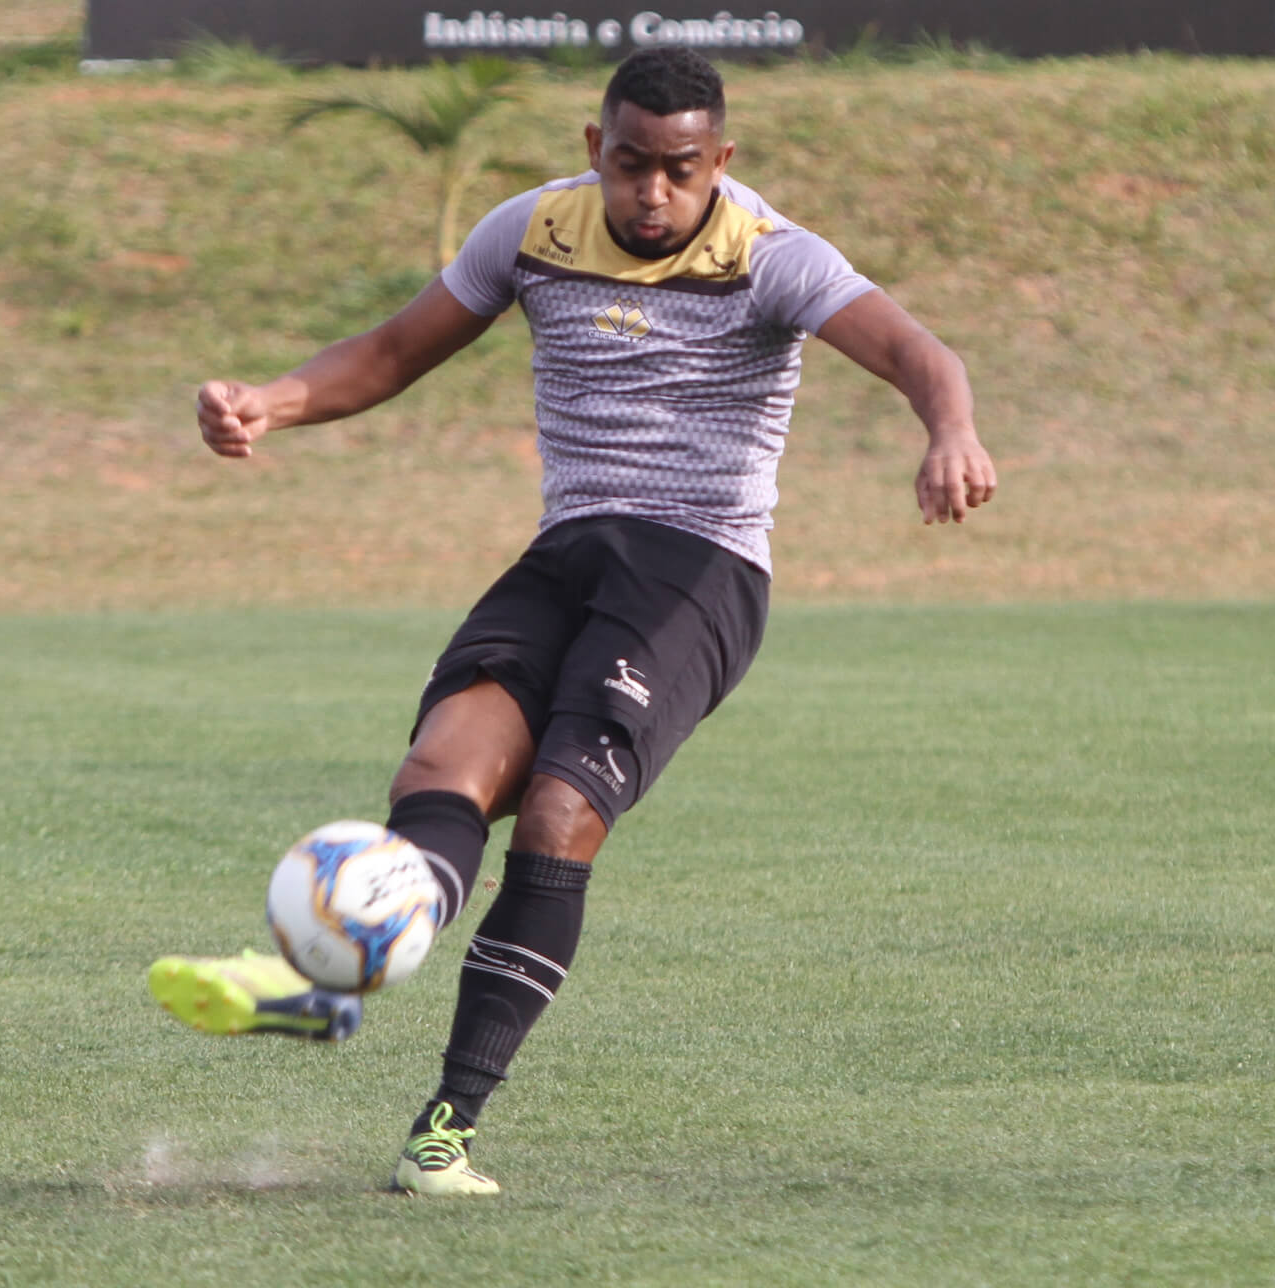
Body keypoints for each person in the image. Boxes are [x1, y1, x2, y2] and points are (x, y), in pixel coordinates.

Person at [147, 45, 996, 1197]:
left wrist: (950, 429)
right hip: (569, 552)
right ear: (594, 149)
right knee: (443, 765)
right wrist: (270, 401)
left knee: (558, 807)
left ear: (721, 162)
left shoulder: (773, 257)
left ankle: (445, 1128)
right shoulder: (532, 233)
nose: (654, 193)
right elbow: (394, 352)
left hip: (696, 570)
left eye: (681, 170)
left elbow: (916, 352)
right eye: (633, 165)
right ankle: (328, 988)